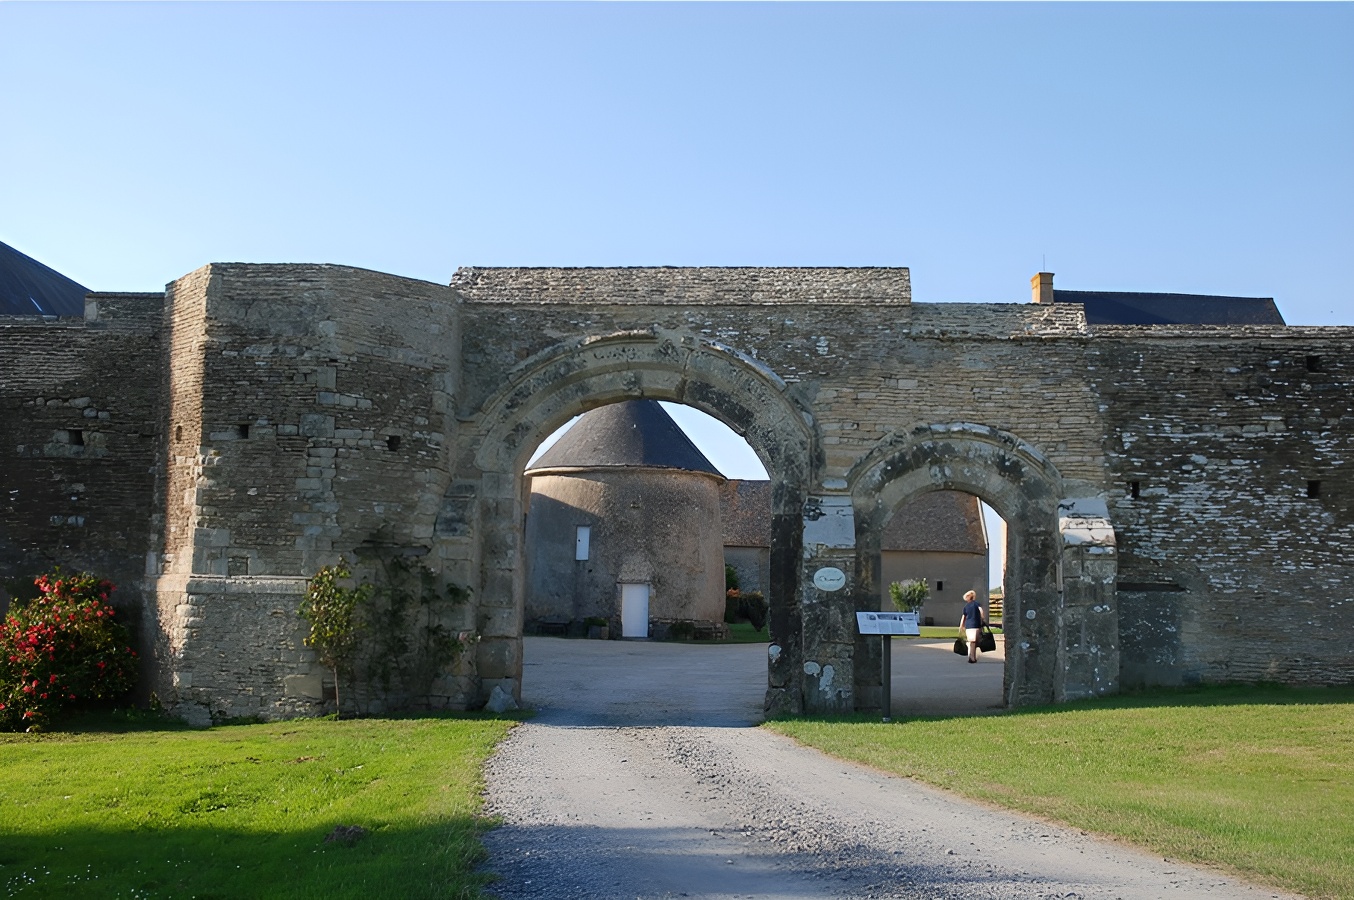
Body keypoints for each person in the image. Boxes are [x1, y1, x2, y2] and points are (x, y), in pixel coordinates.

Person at [958, 590, 986, 664]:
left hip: (969, 626)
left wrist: (961, 626)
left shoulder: (966, 606)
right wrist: (982, 618)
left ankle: (971, 656)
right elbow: (981, 611)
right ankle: (972, 657)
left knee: (972, 642)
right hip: (976, 625)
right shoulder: (977, 604)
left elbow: (963, 617)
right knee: (974, 642)